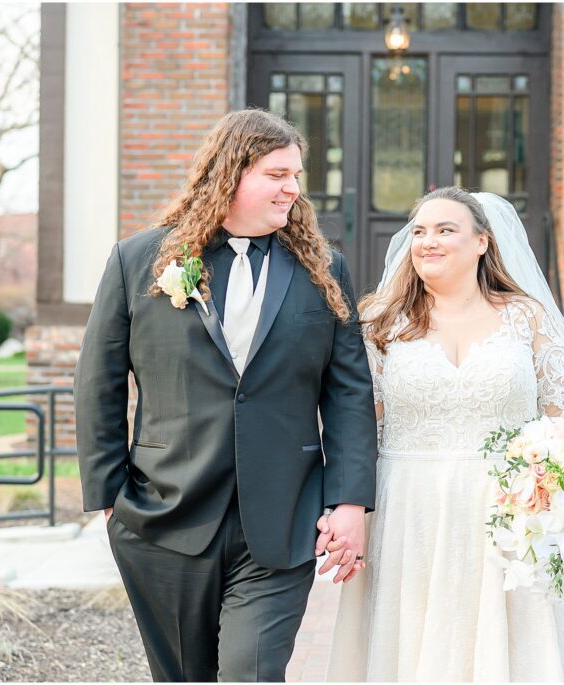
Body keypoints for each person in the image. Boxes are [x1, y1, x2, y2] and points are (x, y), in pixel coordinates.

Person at [74, 109, 377, 682]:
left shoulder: (323, 270)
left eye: (296, 175)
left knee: (250, 673)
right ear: (230, 173)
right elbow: (99, 381)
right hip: (164, 516)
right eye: (277, 174)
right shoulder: (138, 260)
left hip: (284, 519)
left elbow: (348, 395)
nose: (293, 188)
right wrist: (109, 494)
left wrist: (350, 501)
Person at [324, 187, 564, 681]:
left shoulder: (527, 318)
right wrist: (344, 507)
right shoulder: (381, 323)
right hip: (408, 512)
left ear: (482, 242)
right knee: (412, 646)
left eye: (445, 230)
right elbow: (357, 428)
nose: (427, 242)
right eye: (418, 231)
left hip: (509, 514)